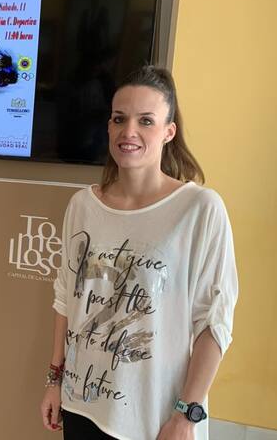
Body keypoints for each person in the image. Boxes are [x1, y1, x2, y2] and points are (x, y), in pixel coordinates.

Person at [40, 66, 238, 439]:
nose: (129, 131)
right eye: (119, 119)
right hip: (81, 406)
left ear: (168, 132)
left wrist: (186, 415)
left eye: (146, 120)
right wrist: (55, 379)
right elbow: (66, 299)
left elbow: (214, 323)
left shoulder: (199, 209)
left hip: (155, 418)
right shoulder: (82, 206)